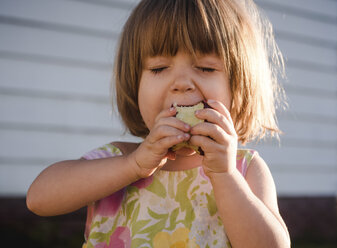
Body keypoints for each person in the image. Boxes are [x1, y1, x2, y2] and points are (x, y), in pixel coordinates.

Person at [27, 0, 291, 247]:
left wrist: (225, 176)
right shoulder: (119, 159)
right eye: (159, 68)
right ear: (135, 82)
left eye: (206, 68)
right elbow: (38, 199)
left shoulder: (243, 168)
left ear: (239, 86)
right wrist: (133, 166)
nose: (181, 83)